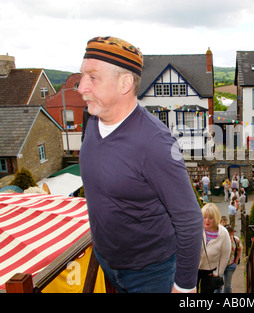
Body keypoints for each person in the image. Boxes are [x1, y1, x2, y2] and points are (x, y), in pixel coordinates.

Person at [78, 36, 203, 293]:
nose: (81, 88)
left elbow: (189, 220)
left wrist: (184, 287)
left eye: (93, 78)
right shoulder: (90, 119)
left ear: (125, 83)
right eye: (82, 76)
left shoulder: (156, 143)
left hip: (150, 274)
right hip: (106, 261)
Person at [198, 203, 231, 293]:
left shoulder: (223, 233)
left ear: (216, 218)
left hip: (210, 271)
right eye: (204, 217)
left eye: (210, 218)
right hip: (194, 268)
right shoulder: (197, 228)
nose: (206, 221)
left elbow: (225, 255)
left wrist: (218, 273)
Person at [222, 225, 242, 293]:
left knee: (227, 285)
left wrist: (236, 261)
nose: (230, 235)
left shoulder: (236, 240)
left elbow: (239, 250)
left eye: (231, 233)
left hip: (230, 265)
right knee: (217, 285)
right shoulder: (220, 239)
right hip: (220, 265)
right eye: (228, 233)